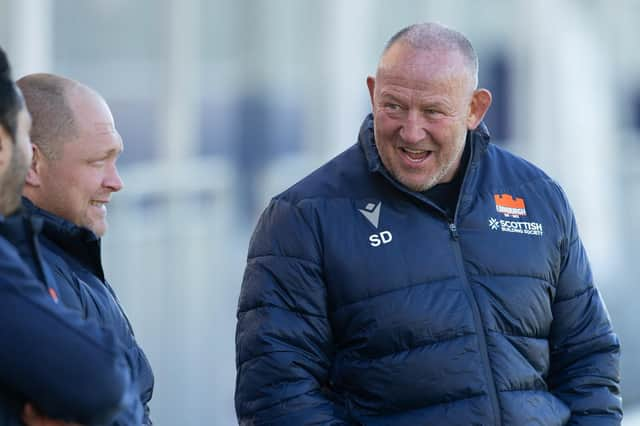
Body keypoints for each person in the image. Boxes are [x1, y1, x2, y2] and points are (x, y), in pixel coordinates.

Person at [235, 22, 622, 425]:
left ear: (475, 108)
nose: (411, 130)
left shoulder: (539, 198)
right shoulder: (303, 218)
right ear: (372, 92)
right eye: (393, 106)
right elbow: (279, 397)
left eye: (433, 111)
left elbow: (587, 357)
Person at [0, 46, 143, 425]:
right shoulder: (28, 267)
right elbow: (103, 390)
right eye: (98, 162)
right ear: (32, 163)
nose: (116, 183)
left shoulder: (64, 256)